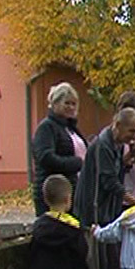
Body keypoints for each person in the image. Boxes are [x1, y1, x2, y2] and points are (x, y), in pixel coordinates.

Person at [74, 108, 135, 269]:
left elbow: (116, 173)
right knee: (103, 263)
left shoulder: (116, 145)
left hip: (109, 211)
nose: (134, 136)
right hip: (95, 212)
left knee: (113, 261)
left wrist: (130, 158)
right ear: (117, 125)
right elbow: (109, 182)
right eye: (131, 131)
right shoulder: (102, 146)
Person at [31, 82, 87, 216]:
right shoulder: (46, 128)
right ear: (55, 103)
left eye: (74, 104)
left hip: (73, 191)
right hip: (53, 194)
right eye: (66, 103)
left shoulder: (71, 129)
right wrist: (77, 163)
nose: (71, 107)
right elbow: (45, 157)